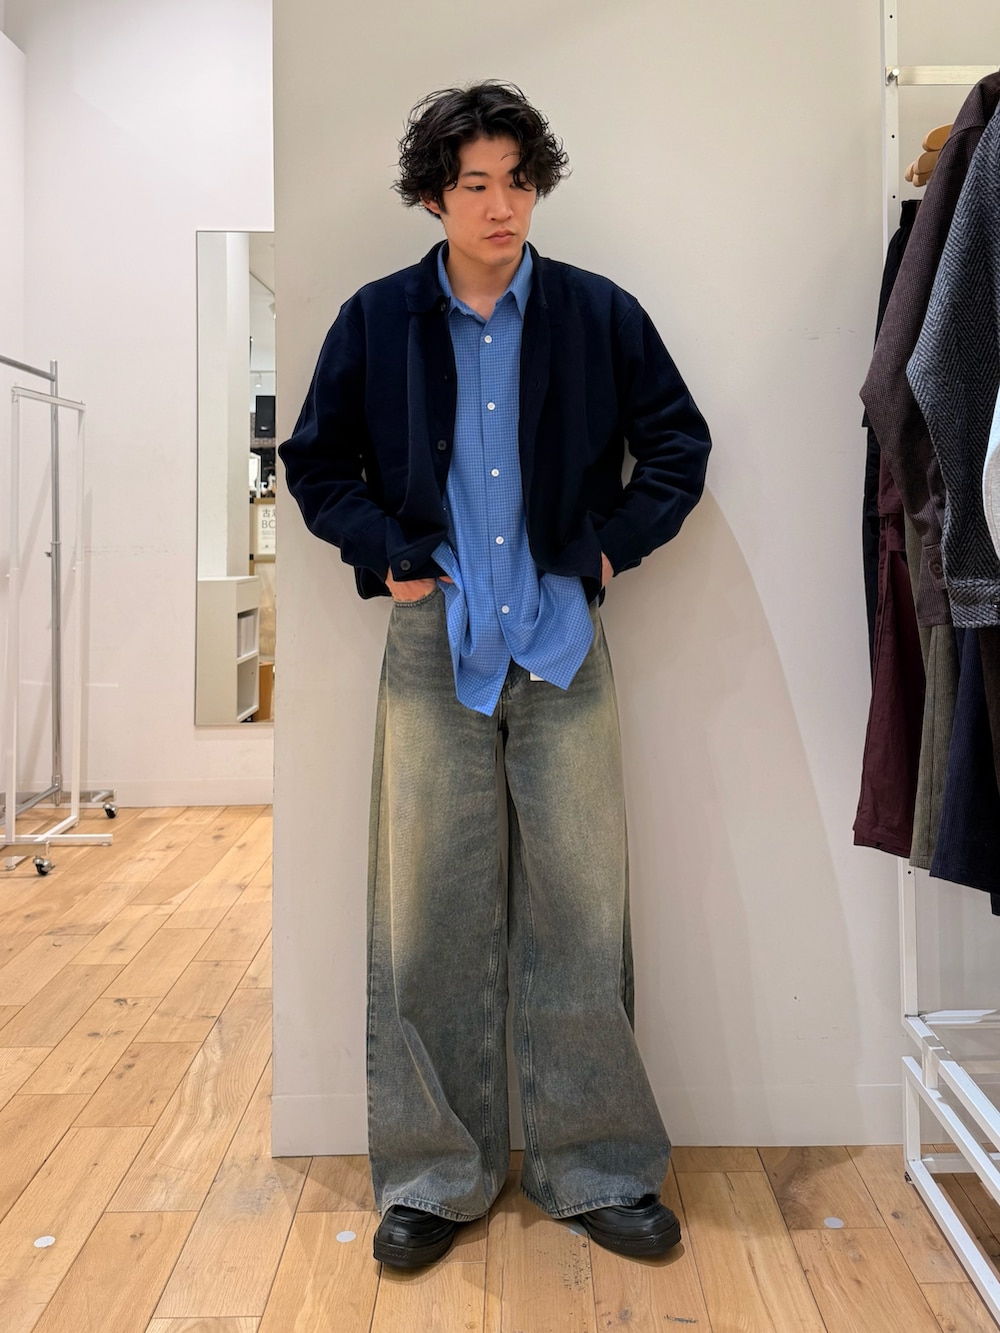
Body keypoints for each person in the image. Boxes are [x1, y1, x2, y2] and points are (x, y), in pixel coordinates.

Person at [279, 81, 711, 1269]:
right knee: (427, 916)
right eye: (474, 182)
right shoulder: (378, 320)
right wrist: (387, 555)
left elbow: (678, 443)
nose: (501, 204)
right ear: (433, 195)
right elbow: (315, 462)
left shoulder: (596, 313)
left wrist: (609, 547)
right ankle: (434, 1176)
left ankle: (597, 1166)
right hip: (435, 653)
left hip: (561, 646)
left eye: (518, 179)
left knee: (582, 910)